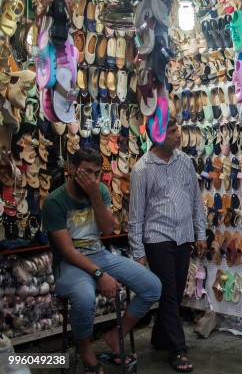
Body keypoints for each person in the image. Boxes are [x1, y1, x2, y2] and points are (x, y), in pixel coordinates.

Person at [42, 148, 161, 374]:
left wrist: (95, 194)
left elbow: (108, 230)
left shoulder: (101, 191)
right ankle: (85, 350)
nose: (92, 178)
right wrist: (98, 274)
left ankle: (116, 335)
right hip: (70, 263)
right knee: (84, 297)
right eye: (87, 172)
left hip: (99, 254)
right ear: (71, 169)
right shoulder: (54, 202)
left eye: (97, 173)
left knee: (152, 287)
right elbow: (67, 251)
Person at [129, 118, 207, 373]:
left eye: (177, 130)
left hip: (183, 236)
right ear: (157, 135)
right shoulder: (142, 169)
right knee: (170, 294)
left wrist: (200, 234)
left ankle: (160, 338)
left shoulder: (184, 161)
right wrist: (138, 253)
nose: (178, 135)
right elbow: (136, 214)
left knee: (172, 291)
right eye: (172, 131)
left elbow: (196, 200)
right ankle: (178, 350)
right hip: (157, 238)